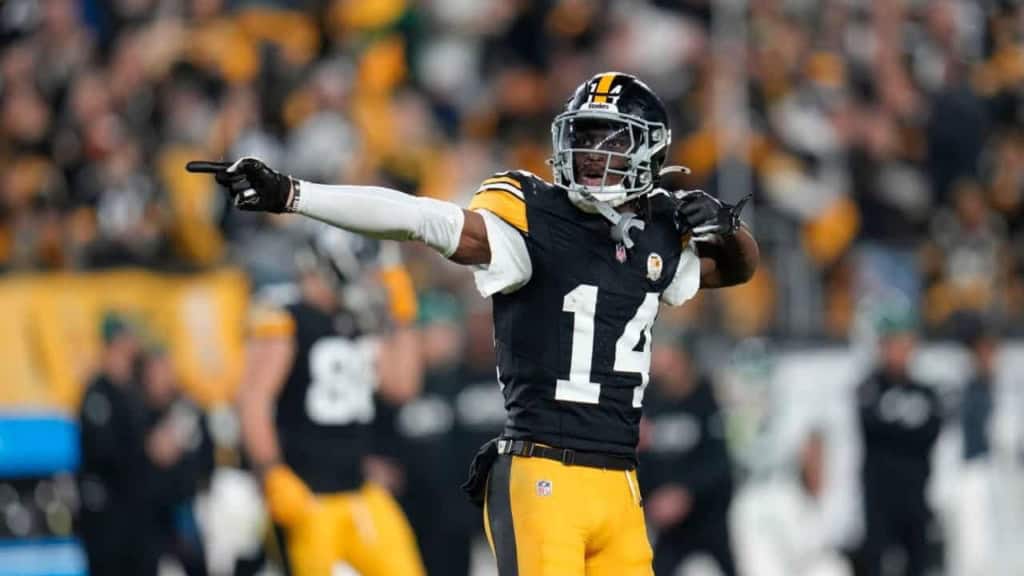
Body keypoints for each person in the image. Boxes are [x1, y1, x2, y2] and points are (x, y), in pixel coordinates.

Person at [190, 71, 759, 575]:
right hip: (545, 475)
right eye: (582, 136)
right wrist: (295, 194)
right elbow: (421, 219)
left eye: (609, 138)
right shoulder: (533, 213)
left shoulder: (659, 227)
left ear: (649, 148)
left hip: (621, 484)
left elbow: (733, 270)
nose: (590, 152)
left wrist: (730, 230)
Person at [236, 225, 426, 576]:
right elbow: (253, 399)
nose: (368, 278)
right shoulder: (286, 317)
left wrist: (402, 317)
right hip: (307, 492)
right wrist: (270, 472)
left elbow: (402, 387)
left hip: (358, 488)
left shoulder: (358, 319)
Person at [855, 312, 942, 576]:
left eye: (905, 344)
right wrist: (907, 424)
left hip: (915, 494)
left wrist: (896, 423)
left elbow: (930, 432)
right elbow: (873, 426)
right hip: (880, 497)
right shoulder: (869, 387)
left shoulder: (926, 392)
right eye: (893, 344)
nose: (899, 351)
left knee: (917, 563)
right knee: (877, 563)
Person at [639, 337, 736, 576]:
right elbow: (645, 458)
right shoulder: (650, 401)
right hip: (667, 527)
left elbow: (720, 464)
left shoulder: (706, 400)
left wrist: (685, 493)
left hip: (707, 519)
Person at [77, 313, 158, 576]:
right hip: (109, 515)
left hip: (136, 513)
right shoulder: (98, 393)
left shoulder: (133, 391)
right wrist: (148, 451)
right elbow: (103, 452)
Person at [139, 347, 214, 576]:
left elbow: (166, 451)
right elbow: (156, 452)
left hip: (185, 505)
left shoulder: (185, 407)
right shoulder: (139, 408)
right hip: (149, 512)